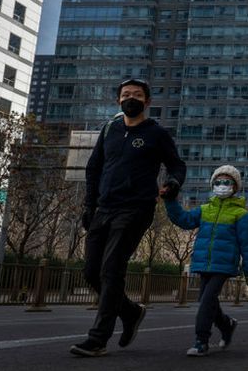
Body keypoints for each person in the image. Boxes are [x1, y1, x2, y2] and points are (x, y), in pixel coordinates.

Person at [70, 78, 187, 357]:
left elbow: (176, 165)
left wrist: (172, 185)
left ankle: (98, 338)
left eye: (136, 95)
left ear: (147, 102)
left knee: (111, 269)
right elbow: (93, 168)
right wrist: (89, 206)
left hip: (136, 208)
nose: (130, 98)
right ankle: (131, 312)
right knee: (91, 272)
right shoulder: (110, 129)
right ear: (118, 101)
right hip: (104, 208)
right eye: (125, 95)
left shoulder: (156, 133)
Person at [162, 165, 248, 357]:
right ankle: (227, 324)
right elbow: (184, 220)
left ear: (235, 187)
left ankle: (201, 341)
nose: (222, 185)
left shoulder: (242, 215)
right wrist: (170, 200)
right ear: (213, 185)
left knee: (206, 301)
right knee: (207, 300)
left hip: (224, 265)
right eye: (218, 182)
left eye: (227, 182)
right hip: (203, 262)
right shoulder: (205, 210)